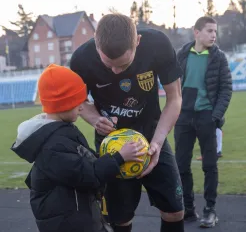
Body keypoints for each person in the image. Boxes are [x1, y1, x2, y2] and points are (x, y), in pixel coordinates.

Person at [70, 13, 184, 232]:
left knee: (175, 210)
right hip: (111, 143)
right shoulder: (81, 59)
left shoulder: (157, 44)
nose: (115, 72)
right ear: (96, 45)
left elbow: (175, 98)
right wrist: (95, 119)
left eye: (123, 65)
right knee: (119, 217)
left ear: (137, 42)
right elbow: (80, 102)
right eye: (108, 65)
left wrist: (158, 142)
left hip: (152, 134)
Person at [10, 64, 146, 232]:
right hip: (67, 224)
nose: (82, 107)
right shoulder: (52, 145)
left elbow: (82, 159)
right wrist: (119, 157)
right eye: (77, 103)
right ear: (63, 105)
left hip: (78, 216)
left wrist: (110, 146)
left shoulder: (61, 131)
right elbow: (88, 174)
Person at [174, 16, 232, 228]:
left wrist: (215, 116)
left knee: (209, 165)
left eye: (215, 31)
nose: (214, 35)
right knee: (181, 166)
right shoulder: (182, 54)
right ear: (196, 32)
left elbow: (226, 88)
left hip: (208, 117)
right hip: (184, 117)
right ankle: (188, 209)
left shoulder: (219, 57)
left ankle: (210, 210)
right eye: (209, 31)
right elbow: (173, 83)